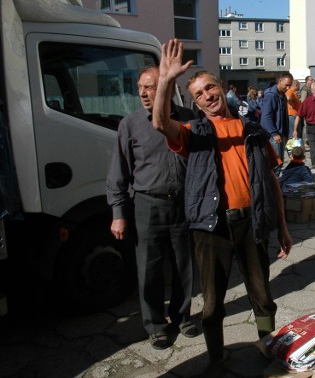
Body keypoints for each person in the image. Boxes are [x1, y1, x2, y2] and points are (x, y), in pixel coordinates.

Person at [152, 39, 293, 373]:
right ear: (196, 103)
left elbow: (271, 180)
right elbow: (160, 123)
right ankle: (216, 358)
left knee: (262, 293)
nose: (207, 96)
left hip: (252, 223)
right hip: (211, 228)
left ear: (222, 88)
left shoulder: (253, 130)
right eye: (199, 94)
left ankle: (267, 344)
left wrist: (284, 227)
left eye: (210, 88)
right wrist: (165, 80)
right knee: (213, 302)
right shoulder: (194, 132)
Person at [106, 66, 198, 350]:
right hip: (147, 205)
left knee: (184, 266)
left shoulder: (190, 120)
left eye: (150, 87)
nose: (144, 94)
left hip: (183, 204)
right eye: (140, 88)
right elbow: (118, 172)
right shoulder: (131, 124)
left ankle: (182, 317)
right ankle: (156, 326)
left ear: (168, 88)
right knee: (149, 269)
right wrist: (118, 214)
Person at [260, 72, 294, 165]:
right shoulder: (271, 96)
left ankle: (277, 179)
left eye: (290, 86)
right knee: (275, 164)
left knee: (280, 162)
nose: (288, 88)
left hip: (280, 133)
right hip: (273, 135)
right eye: (286, 85)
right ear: (280, 81)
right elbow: (266, 117)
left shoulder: (282, 95)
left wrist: (287, 134)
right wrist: (274, 133)